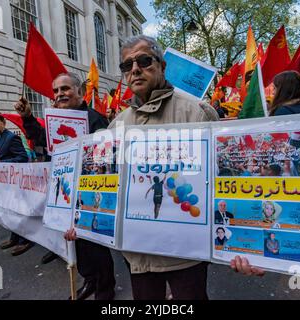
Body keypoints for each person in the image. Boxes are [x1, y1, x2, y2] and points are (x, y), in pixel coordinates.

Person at [104, 35, 264, 300]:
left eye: (144, 60)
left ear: (162, 66)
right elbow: (107, 187)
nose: (135, 69)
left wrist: (248, 246)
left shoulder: (197, 113)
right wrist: (81, 220)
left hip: (186, 255)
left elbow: (228, 184)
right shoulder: (116, 126)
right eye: (126, 65)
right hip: (138, 253)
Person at [15, 72, 115, 300]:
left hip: (92, 193)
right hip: (66, 190)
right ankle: (90, 281)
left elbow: (107, 157)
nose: (60, 94)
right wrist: (28, 117)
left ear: (80, 92)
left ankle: (105, 289)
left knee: (95, 244)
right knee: (75, 243)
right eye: (56, 91)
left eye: (65, 89)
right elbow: (41, 139)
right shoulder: (56, 120)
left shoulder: (96, 119)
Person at [0, 111, 33, 257]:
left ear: (3, 123)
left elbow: (22, 158)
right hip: (1, 184)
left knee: (18, 211)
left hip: (14, 183)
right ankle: (14, 237)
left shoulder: (12, 138)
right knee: (8, 212)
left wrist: (1, 163)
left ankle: (25, 240)